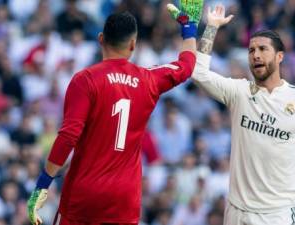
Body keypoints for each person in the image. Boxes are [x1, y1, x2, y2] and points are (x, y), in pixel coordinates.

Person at [26, 0, 204, 224]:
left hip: (84, 192)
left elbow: (69, 135)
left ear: (101, 39)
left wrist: (43, 183)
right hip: (124, 196)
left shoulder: (85, 80)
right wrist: (189, 29)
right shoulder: (149, 79)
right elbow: (186, 66)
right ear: (133, 45)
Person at [192, 5, 295, 225]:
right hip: (236, 211)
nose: (256, 55)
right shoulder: (239, 92)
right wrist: (212, 27)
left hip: (277, 214)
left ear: (280, 56)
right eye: (251, 51)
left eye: (263, 49)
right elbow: (198, 74)